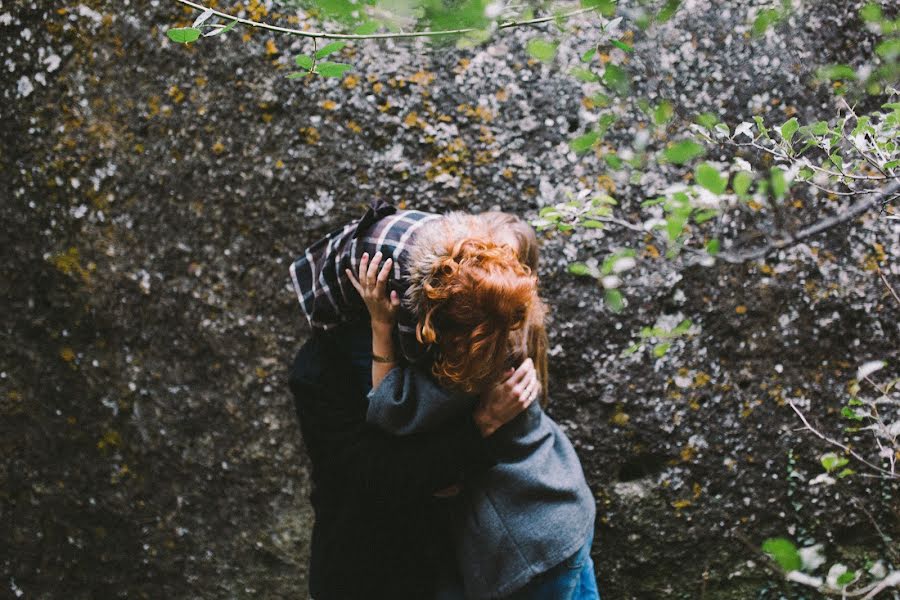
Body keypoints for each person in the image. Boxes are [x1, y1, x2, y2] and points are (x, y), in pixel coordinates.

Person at [346, 233, 600, 600]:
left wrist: (381, 326)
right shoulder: (509, 339)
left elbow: (390, 409)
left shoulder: (465, 371)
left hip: (532, 547)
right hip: (564, 510)